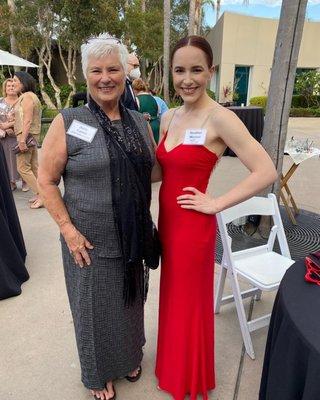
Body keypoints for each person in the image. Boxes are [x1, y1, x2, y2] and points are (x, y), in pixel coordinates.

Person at [153, 35, 277, 400]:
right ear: (171, 73)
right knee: (173, 297)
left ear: (211, 71)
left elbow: (265, 170)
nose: (187, 79)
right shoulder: (168, 116)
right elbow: (162, 171)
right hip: (168, 223)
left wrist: (218, 202)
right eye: (179, 70)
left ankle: (187, 378)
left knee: (190, 302)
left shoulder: (221, 118)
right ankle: (171, 367)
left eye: (196, 69)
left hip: (194, 227)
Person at [38, 36, 155, 400]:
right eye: (97, 70)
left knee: (130, 302)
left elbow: (153, 170)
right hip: (87, 241)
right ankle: (96, 372)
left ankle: (128, 356)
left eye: (113, 69)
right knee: (92, 310)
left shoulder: (139, 121)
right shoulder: (69, 121)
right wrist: (68, 230)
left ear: (125, 74)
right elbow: (45, 180)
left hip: (133, 236)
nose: (105, 77)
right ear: (85, 75)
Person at [13, 71, 42, 208]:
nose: (13, 84)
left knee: (22, 167)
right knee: (34, 166)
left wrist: (22, 140)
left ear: (23, 83)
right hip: (31, 135)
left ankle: (42, 195)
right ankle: (40, 194)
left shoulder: (27, 97)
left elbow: (28, 120)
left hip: (26, 136)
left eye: (15, 81)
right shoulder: (29, 96)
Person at [0, 78, 28, 192]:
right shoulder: (0, 101)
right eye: (8, 86)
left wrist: (10, 126)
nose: (11, 88)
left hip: (19, 135)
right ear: (5, 89)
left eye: (13, 85)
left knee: (22, 159)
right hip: (4, 137)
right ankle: (11, 181)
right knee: (7, 159)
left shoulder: (22, 101)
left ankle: (25, 181)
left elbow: (25, 118)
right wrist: (3, 129)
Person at [132, 78, 160, 143]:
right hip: (157, 126)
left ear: (134, 89)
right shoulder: (153, 98)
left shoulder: (136, 99)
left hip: (146, 128)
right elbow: (158, 112)